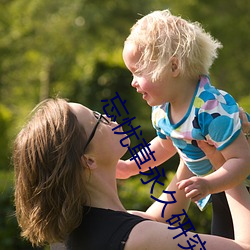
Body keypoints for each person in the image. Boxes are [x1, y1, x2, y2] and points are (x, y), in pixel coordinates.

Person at [13, 98, 250, 250]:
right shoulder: (137, 238)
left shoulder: (79, 232)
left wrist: (191, 136)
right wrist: (226, 165)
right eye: (98, 120)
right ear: (88, 160)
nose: (109, 118)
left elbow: (159, 219)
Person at [120, 9, 250, 239]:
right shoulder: (162, 109)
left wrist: (209, 184)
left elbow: (242, 160)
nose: (133, 82)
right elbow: (165, 144)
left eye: (138, 72)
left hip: (239, 186)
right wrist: (131, 166)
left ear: (173, 67)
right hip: (220, 189)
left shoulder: (211, 109)